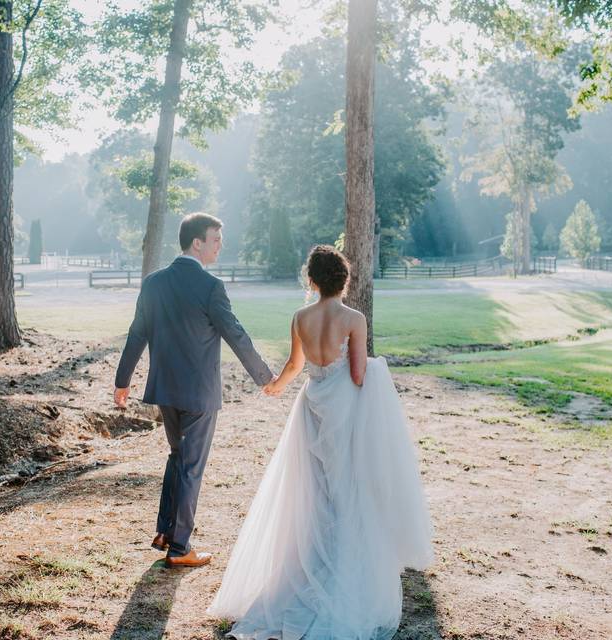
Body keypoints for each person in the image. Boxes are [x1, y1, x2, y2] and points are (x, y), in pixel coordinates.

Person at [208, 244, 433, 639]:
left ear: (311, 281)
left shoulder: (300, 317)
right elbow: (360, 374)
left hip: (311, 406)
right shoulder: (354, 318)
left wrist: (275, 385)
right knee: (347, 486)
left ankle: (311, 557)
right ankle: (342, 561)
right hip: (345, 407)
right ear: (344, 281)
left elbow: (296, 365)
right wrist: (380, 371)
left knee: (315, 489)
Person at [114, 212, 274, 568]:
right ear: (197, 242)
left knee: (178, 458)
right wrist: (265, 377)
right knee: (191, 467)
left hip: (165, 390)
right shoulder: (211, 287)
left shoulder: (153, 283)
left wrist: (122, 380)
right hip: (199, 394)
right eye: (216, 239)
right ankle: (181, 548)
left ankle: (166, 532)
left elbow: (136, 333)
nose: (220, 245)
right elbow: (235, 334)